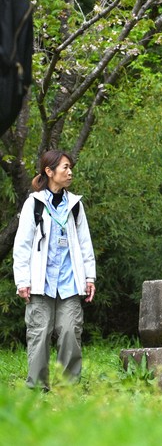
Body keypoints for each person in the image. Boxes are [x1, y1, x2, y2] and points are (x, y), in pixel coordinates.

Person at [13, 150, 97, 390]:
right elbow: (22, 245)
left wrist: (90, 277)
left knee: (71, 332)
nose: (70, 172)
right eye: (64, 168)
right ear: (49, 172)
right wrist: (22, 281)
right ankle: (38, 388)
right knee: (39, 336)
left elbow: (84, 244)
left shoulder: (75, 205)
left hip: (70, 283)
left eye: (70, 167)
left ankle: (66, 388)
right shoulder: (34, 204)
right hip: (41, 283)